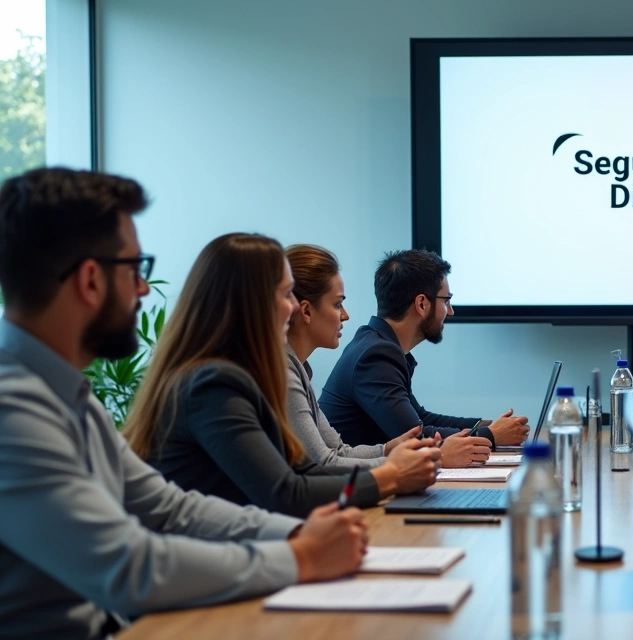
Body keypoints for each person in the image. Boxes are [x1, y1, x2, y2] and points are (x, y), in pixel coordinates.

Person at [0, 168, 368, 639]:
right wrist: (300, 557)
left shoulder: (65, 394)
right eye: (136, 270)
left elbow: (170, 509)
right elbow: (128, 566)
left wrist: (295, 536)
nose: (142, 290)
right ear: (90, 281)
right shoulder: (14, 410)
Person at [123, 233, 441, 518]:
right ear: (253, 303)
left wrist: (388, 462)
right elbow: (287, 494)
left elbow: (307, 471)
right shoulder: (214, 384)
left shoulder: (239, 373)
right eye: (287, 294)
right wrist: (389, 476)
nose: (294, 308)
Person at [320, 249, 529, 467]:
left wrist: (486, 426)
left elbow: (421, 419)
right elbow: (414, 436)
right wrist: (491, 435)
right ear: (421, 304)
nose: (450, 311)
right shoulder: (375, 356)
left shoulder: (378, 345)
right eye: (446, 301)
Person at [284, 244, 421, 468]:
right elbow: (323, 464)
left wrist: (388, 449)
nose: (345, 316)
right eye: (338, 304)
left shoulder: (297, 368)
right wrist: (400, 463)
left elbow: (337, 451)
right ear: (306, 311)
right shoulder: (284, 373)